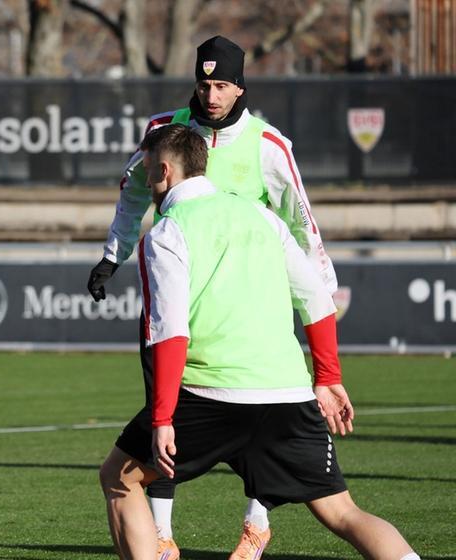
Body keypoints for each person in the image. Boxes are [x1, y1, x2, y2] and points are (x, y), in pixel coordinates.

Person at [98, 124, 418, 560]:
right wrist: (327, 377)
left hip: (211, 396)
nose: (147, 180)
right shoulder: (262, 216)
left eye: (150, 170)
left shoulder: (166, 233)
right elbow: (317, 299)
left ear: (166, 171)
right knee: (343, 512)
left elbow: (169, 333)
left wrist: (162, 418)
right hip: (287, 393)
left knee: (120, 477)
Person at [86, 35, 338, 559]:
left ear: (241, 86)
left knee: (261, 416)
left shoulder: (269, 145)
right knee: (162, 409)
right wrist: (114, 253)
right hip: (181, 294)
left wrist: (318, 294)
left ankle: (256, 523)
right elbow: (133, 190)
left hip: (249, 304)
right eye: (204, 84)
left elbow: (302, 222)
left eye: (221, 84)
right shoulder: (166, 131)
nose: (211, 95)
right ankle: (161, 534)